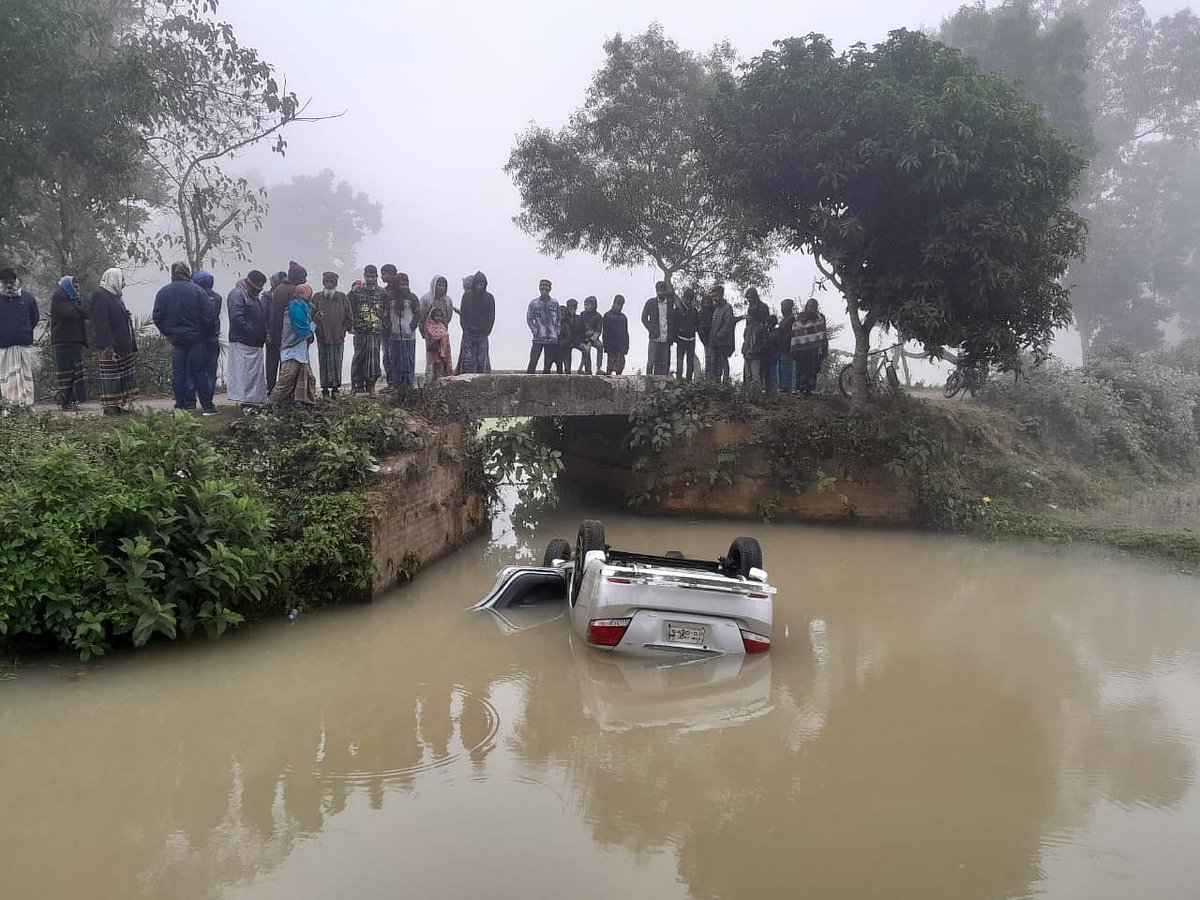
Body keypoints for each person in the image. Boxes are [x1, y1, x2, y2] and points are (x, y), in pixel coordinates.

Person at [153, 261, 217, 414]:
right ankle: (207, 406)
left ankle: (180, 405)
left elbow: (157, 317)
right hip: (197, 339)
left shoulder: (163, 292)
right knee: (200, 371)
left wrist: (168, 332)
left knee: (178, 372)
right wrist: (204, 333)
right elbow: (209, 316)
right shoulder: (198, 291)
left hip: (176, 340)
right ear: (187, 272)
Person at [90, 267, 138, 415]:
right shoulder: (100, 296)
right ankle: (109, 407)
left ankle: (117, 405)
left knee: (121, 377)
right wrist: (107, 345)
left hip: (122, 345)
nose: (123, 283)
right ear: (114, 279)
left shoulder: (115, 297)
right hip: (111, 346)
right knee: (111, 378)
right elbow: (101, 323)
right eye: (121, 279)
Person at [226, 270, 270, 408]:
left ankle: (254, 401)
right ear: (249, 283)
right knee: (244, 375)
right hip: (243, 341)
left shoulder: (253, 296)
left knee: (254, 375)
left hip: (255, 343)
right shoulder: (237, 294)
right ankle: (245, 402)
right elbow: (236, 317)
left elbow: (261, 318)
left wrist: (264, 333)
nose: (258, 291)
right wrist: (251, 331)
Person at [269, 283, 317, 405]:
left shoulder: (305, 307)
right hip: (292, 347)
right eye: (308, 294)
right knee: (287, 377)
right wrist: (312, 327)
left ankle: (304, 403)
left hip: (300, 348)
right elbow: (301, 328)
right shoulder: (296, 307)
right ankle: (272, 403)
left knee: (307, 377)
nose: (309, 297)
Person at [0, 268, 40, 408]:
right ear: (1, 282)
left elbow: (35, 317)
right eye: (5, 282)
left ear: (16, 281)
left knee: (25, 376)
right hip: (4, 346)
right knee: (6, 376)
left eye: (11, 282)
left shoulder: (27, 298)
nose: (9, 285)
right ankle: (9, 406)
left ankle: (27, 405)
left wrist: (25, 330)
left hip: (23, 345)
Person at [49, 275, 89, 409]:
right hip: (63, 340)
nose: (77, 288)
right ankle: (64, 401)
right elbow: (71, 314)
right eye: (74, 286)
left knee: (76, 371)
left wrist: (78, 308)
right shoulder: (59, 296)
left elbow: (87, 312)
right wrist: (79, 309)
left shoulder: (77, 298)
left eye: (78, 286)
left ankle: (74, 400)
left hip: (75, 339)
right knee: (66, 371)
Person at [266, 262, 306, 392]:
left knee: (273, 365)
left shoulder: (278, 289)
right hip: (289, 336)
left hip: (276, 333)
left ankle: (271, 390)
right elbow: (297, 316)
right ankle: (284, 394)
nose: (304, 281)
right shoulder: (294, 291)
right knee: (288, 368)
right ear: (297, 278)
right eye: (303, 278)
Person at [349, 264, 387, 392]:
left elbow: (386, 310)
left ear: (377, 277)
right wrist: (352, 324)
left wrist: (383, 324)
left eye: (373, 276)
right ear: (364, 276)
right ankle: (356, 386)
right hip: (360, 330)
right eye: (368, 276)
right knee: (359, 357)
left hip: (375, 330)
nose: (370, 279)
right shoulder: (356, 291)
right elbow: (349, 308)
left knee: (374, 358)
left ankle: (371, 386)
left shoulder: (382, 292)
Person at [314, 271, 352, 398]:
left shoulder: (342, 297)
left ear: (335, 284)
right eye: (327, 282)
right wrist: (318, 329)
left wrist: (343, 330)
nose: (329, 284)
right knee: (323, 362)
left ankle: (336, 390)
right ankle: (324, 390)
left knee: (337, 363)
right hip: (322, 337)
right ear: (323, 283)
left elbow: (349, 317)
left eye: (331, 282)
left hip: (338, 338)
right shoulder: (317, 298)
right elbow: (311, 316)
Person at [384, 272, 420, 389]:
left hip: (409, 335)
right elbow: (385, 314)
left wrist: (412, 326)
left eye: (406, 284)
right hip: (394, 335)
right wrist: (389, 326)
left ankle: (408, 384)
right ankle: (396, 384)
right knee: (395, 359)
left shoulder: (412, 297)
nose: (404, 287)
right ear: (396, 284)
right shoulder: (389, 297)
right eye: (401, 284)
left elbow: (418, 313)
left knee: (409, 359)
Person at [191, 270, 222, 406]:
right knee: (211, 369)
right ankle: (208, 398)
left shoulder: (195, 297)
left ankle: (192, 400)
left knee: (195, 369)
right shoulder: (217, 298)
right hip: (213, 337)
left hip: (197, 338)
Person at [419, 275, 454, 384]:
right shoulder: (426, 299)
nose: (441, 288)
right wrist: (424, 331)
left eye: (443, 285)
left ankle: (442, 381)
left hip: (443, 333)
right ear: (434, 285)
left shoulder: (448, 300)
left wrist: (442, 329)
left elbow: (449, 316)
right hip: (430, 335)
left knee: (444, 357)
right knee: (432, 358)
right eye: (439, 285)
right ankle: (429, 382)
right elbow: (421, 315)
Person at [458, 271, 494, 374]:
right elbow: (463, 314)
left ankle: (480, 381)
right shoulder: (467, 296)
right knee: (466, 360)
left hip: (482, 334)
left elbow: (491, 316)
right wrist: (465, 329)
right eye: (478, 284)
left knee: (481, 361)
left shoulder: (489, 298)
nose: (479, 286)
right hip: (469, 333)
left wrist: (486, 331)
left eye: (482, 284)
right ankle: (465, 380)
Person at [791, 297, 829, 395]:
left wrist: (823, 345)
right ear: (806, 306)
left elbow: (822, 331)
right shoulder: (800, 316)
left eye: (813, 306)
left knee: (813, 368)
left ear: (817, 307)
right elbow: (796, 329)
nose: (811, 308)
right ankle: (800, 388)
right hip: (802, 348)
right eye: (809, 305)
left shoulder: (820, 317)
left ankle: (809, 388)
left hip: (815, 348)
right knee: (801, 367)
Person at [526, 278, 560, 374]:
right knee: (533, 360)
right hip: (538, 337)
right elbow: (529, 318)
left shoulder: (555, 303)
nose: (544, 291)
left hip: (551, 338)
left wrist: (557, 332)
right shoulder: (533, 303)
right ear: (539, 289)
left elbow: (558, 319)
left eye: (546, 289)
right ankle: (528, 380)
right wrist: (534, 330)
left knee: (548, 363)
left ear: (550, 290)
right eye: (542, 289)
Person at [641, 280, 675, 376]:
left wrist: (671, 335)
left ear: (665, 291)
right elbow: (643, 318)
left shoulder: (670, 304)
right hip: (654, 338)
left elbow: (672, 320)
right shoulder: (650, 303)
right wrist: (651, 329)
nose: (660, 293)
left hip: (666, 338)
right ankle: (648, 381)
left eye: (661, 290)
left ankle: (662, 382)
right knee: (651, 362)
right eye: (658, 290)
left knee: (664, 363)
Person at [742, 287, 769, 389]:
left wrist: (759, 348)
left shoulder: (763, 307)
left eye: (750, 297)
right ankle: (748, 391)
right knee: (748, 374)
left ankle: (758, 392)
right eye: (748, 298)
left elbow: (765, 325)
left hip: (758, 347)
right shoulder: (750, 308)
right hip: (749, 346)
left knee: (757, 373)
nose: (749, 300)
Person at [708, 285, 735, 381]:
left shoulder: (728, 308)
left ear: (721, 295)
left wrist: (718, 335)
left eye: (715, 296)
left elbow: (727, 326)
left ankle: (726, 382)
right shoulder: (716, 308)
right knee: (713, 362)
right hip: (714, 342)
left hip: (723, 342)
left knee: (723, 362)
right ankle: (715, 382)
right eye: (712, 296)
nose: (714, 298)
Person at [674, 288, 698, 381]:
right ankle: (678, 379)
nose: (688, 301)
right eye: (687, 298)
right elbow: (673, 324)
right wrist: (677, 334)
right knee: (680, 361)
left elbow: (696, 323)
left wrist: (694, 329)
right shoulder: (678, 309)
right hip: (681, 339)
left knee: (690, 361)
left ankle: (688, 381)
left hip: (691, 339)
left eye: (690, 299)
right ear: (683, 298)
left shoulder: (694, 310)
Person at [602, 295, 629, 375]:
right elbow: (605, 333)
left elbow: (625, 333)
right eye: (617, 304)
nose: (619, 307)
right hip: (611, 346)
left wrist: (626, 346)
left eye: (621, 305)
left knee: (620, 367)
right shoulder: (607, 316)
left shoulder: (623, 317)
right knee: (610, 367)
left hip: (621, 347)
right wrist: (606, 346)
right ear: (613, 303)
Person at [425, 306, 453, 380]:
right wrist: (442, 334)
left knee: (441, 369)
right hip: (435, 351)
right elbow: (434, 335)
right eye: (437, 316)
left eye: (440, 316)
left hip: (443, 351)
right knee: (434, 369)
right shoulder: (429, 325)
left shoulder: (441, 325)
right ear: (432, 316)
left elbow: (445, 335)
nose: (439, 318)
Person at [577, 296, 604, 374]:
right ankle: (587, 369)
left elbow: (598, 331)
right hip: (583, 338)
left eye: (587, 305)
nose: (585, 307)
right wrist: (583, 339)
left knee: (600, 346)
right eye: (584, 305)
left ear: (593, 306)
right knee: (586, 349)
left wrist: (591, 341)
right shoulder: (582, 314)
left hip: (594, 338)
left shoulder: (598, 316)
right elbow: (579, 328)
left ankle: (598, 368)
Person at [776, 299, 796, 393]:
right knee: (781, 368)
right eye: (782, 306)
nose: (782, 309)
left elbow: (790, 334)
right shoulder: (783, 320)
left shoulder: (791, 319)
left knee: (787, 367)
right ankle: (782, 386)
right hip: (781, 348)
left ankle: (787, 387)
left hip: (787, 347)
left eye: (785, 306)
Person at [698, 289, 716, 378]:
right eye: (705, 303)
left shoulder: (714, 312)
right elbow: (699, 328)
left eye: (708, 303)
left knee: (714, 360)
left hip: (714, 339)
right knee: (708, 359)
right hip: (705, 339)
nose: (706, 305)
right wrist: (703, 340)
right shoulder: (700, 314)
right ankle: (707, 378)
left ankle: (713, 378)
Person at [560, 298, 580, 372]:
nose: (572, 310)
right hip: (564, 342)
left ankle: (585, 369)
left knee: (585, 349)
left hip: (574, 341)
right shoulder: (564, 317)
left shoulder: (578, 318)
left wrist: (576, 341)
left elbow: (580, 332)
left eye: (574, 308)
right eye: (571, 308)